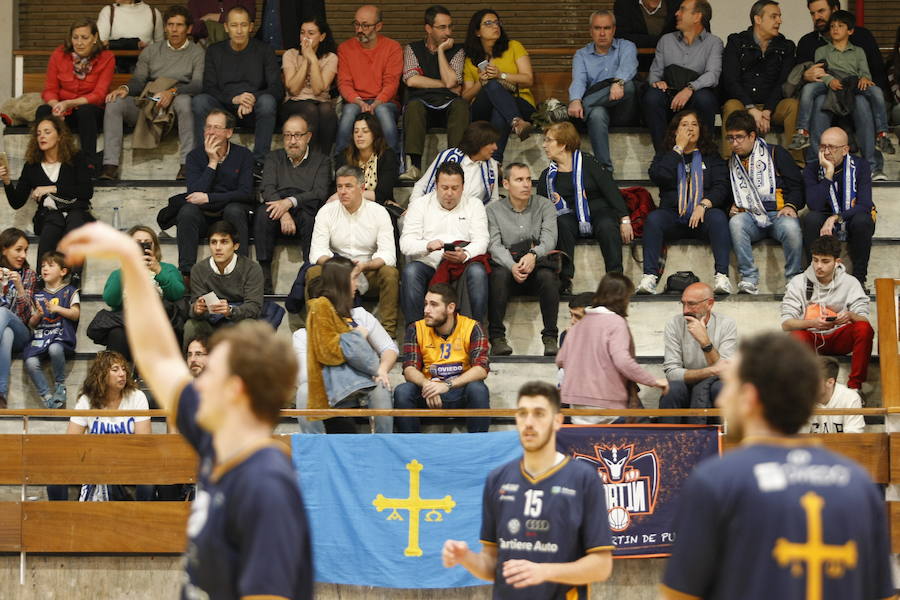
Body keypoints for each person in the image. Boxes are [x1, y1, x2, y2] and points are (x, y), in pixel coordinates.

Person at [59, 222, 312, 598]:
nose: (198, 376)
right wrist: (131, 260)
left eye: (213, 371)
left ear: (235, 391)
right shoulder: (219, 441)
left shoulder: (265, 484)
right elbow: (159, 358)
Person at [660, 333, 893, 600]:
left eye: (729, 388)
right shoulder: (858, 483)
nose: (721, 401)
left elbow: (681, 594)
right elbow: (882, 594)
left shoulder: (716, 480)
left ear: (749, 397)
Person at [442, 381, 614, 597]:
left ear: (557, 421)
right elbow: (492, 566)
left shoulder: (583, 479)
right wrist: (465, 557)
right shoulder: (498, 479)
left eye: (539, 414)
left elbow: (601, 566)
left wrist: (544, 571)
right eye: (523, 414)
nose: (529, 423)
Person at [100, 5, 205, 181]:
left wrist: (172, 92)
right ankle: (110, 165)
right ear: (165, 27)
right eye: (170, 24)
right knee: (114, 103)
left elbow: (198, 84)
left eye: (179, 25)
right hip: (150, 101)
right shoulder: (151, 50)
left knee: (185, 101)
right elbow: (138, 81)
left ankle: (187, 164)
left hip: (178, 105)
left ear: (189, 28)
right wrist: (124, 89)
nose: (174, 29)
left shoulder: (197, 52)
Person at [636, 110, 732, 295]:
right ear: (675, 131)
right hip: (673, 215)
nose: (690, 128)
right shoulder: (665, 155)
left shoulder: (711, 156)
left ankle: (722, 276)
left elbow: (722, 186)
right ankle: (649, 277)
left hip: (702, 217)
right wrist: (678, 149)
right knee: (654, 219)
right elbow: (659, 176)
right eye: (684, 124)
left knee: (719, 217)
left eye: (694, 124)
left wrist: (704, 204)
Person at [788, 10, 895, 174]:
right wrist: (830, 80)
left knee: (874, 93)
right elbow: (820, 72)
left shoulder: (858, 51)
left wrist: (865, 78)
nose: (835, 29)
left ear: (850, 31)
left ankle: (882, 135)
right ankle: (805, 138)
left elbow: (864, 72)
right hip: (829, 84)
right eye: (832, 27)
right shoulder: (822, 50)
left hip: (852, 85)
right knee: (812, 93)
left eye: (840, 26)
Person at [557, 274, 669, 424]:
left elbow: (561, 360)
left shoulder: (577, 325)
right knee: (640, 438)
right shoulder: (616, 322)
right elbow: (623, 361)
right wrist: (654, 381)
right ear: (623, 298)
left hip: (576, 405)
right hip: (606, 403)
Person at [538, 121, 632, 296]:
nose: (544, 145)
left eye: (548, 140)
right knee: (560, 223)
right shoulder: (547, 176)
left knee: (607, 225)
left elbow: (610, 190)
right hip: (568, 216)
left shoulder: (589, 163)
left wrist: (625, 219)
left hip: (598, 211)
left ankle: (615, 279)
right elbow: (543, 208)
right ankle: (564, 280)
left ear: (563, 144)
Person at [304, 256, 396, 434]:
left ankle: (384, 441)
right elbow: (328, 353)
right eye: (354, 278)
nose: (358, 285)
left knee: (381, 385)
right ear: (341, 281)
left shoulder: (356, 313)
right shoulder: (320, 307)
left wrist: (380, 370)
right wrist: (356, 336)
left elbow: (388, 349)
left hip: (356, 379)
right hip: (334, 382)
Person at [307, 165, 399, 338]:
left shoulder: (379, 212)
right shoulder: (326, 212)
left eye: (348, 186)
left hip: (367, 269)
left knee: (390, 273)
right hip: (337, 270)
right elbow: (317, 253)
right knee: (314, 272)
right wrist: (341, 268)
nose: (342, 192)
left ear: (362, 188)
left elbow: (389, 255)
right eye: (339, 187)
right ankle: (317, 332)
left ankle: (388, 334)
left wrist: (365, 266)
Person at [52, 351, 155, 502]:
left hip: (128, 461)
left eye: (124, 369)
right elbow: (71, 442)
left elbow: (143, 443)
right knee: (54, 477)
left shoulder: (137, 397)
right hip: (94, 461)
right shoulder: (87, 400)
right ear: (101, 374)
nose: (122, 374)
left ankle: (141, 522)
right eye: (115, 370)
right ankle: (58, 522)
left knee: (148, 482)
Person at [191, 6, 281, 174]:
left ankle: (259, 163)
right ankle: (205, 158)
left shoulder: (264, 50)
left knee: (268, 101)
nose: (239, 30)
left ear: (251, 27)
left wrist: (251, 98)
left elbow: (277, 88)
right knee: (200, 101)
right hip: (224, 109)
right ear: (226, 27)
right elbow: (209, 87)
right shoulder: (214, 51)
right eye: (234, 25)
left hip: (253, 111)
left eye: (243, 25)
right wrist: (234, 99)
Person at [724, 110, 804, 295]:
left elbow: (797, 186)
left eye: (739, 137)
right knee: (735, 223)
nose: (734, 143)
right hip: (750, 218)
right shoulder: (730, 163)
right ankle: (749, 278)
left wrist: (791, 205)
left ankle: (793, 279)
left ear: (752, 135)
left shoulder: (776, 153)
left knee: (792, 228)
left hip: (779, 215)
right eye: (730, 138)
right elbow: (726, 193)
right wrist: (730, 206)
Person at [393, 283, 490, 434]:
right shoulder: (416, 328)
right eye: (425, 304)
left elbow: (481, 368)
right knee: (403, 391)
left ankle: (478, 446)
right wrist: (427, 385)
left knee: (478, 389)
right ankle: (411, 449)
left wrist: (448, 385)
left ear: (450, 308)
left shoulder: (472, 327)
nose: (426, 310)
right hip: (429, 392)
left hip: (459, 390)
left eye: (433, 305)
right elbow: (409, 368)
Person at [400, 162, 489, 325]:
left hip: (463, 264)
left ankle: (477, 331)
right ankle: (415, 334)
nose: (449, 193)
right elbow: (406, 243)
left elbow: (482, 240)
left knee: (478, 271)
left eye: (455, 188)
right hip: (429, 263)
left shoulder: (474, 205)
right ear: (436, 186)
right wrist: (427, 245)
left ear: (463, 186)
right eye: (444, 187)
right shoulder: (419, 205)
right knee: (411, 272)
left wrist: (465, 254)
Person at [1, 117, 95, 271]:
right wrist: (7, 182)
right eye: (38, 134)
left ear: (59, 136)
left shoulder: (76, 158)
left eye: (47, 132)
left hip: (76, 211)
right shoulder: (32, 165)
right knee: (53, 221)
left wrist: (52, 188)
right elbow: (17, 202)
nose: (42, 136)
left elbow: (86, 191)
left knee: (76, 221)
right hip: (48, 215)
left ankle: (74, 284)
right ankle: (40, 280)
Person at [781, 234, 873, 391]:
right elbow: (786, 324)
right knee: (796, 336)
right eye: (815, 260)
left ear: (837, 262)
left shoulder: (850, 282)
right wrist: (812, 323)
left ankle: (854, 388)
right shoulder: (798, 282)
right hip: (813, 337)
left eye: (825, 261)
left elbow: (864, 318)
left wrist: (850, 316)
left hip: (840, 337)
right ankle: (805, 389)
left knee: (864, 329)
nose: (818, 266)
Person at [486, 163, 559, 357]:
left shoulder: (545, 205)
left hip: (536, 266)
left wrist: (533, 255)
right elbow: (494, 245)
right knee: (498, 275)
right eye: (519, 180)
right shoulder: (493, 210)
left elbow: (549, 240)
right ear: (506, 184)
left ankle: (550, 337)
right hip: (507, 269)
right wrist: (512, 265)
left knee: (548, 277)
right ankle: (497, 338)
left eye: (528, 179)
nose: (526, 184)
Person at [170, 109, 254, 277]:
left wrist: (210, 197)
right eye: (208, 127)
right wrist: (213, 162)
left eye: (216, 127)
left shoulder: (243, 155)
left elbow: (245, 193)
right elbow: (194, 194)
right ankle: (187, 273)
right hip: (203, 216)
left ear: (228, 132)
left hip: (229, 214)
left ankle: (241, 271)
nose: (211, 132)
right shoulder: (194, 156)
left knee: (235, 209)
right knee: (187, 211)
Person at [254, 114, 331, 293]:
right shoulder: (274, 158)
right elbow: (267, 188)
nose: (292, 141)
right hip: (278, 205)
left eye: (297, 135)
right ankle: (265, 276)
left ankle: (309, 273)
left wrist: (289, 203)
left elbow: (319, 192)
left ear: (308, 137)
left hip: (306, 206)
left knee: (311, 219)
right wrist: (284, 211)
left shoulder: (322, 161)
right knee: (263, 214)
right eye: (288, 135)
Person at [720, 0, 799, 160]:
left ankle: (797, 163)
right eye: (774, 16)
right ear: (758, 19)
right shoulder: (737, 42)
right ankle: (728, 162)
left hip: (773, 106)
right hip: (744, 104)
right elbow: (730, 80)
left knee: (793, 105)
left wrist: (767, 111)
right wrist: (751, 108)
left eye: (779, 16)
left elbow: (783, 83)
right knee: (731, 106)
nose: (779, 21)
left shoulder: (786, 46)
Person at [37, 18, 115, 174]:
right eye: (75, 37)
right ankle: (45, 161)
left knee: (85, 111)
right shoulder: (59, 55)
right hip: (64, 110)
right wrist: (56, 106)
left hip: (91, 111)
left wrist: (69, 103)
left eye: (84, 38)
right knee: (43, 112)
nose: (79, 42)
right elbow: (50, 89)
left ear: (95, 38)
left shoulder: (106, 57)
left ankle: (89, 164)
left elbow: (99, 95)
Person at [801, 127, 875, 289]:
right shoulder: (812, 169)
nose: (826, 152)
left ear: (845, 150)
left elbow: (865, 204)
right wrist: (828, 173)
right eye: (823, 147)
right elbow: (814, 205)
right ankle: (815, 278)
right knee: (811, 219)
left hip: (852, 213)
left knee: (863, 221)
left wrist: (836, 217)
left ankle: (859, 279)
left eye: (831, 147)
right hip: (824, 213)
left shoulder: (861, 166)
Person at [644, 0, 722, 153]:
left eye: (682, 10)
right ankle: (663, 155)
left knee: (705, 99)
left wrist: (690, 88)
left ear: (697, 17)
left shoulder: (714, 42)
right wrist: (657, 82)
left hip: (696, 95)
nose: (676, 14)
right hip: (670, 94)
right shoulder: (666, 40)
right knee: (652, 97)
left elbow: (713, 75)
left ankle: (705, 155)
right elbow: (654, 73)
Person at [401, 5, 469, 180]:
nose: (448, 32)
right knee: (414, 106)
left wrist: (440, 51)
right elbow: (411, 79)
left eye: (450, 26)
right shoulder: (412, 49)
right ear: (428, 28)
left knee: (461, 106)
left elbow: (452, 81)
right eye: (442, 27)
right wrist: (443, 84)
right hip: (422, 104)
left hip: (449, 104)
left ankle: (456, 164)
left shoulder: (458, 50)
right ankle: (414, 166)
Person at [567, 10, 638, 172]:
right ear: (590, 31)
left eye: (606, 28)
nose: (602, 33)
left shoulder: (626, 46)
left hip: (623, 110)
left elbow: (629, 67)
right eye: (597, 28)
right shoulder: (581, 55)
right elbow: (578, 80)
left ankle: (583, 106)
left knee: (629, 86)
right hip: (598, 110)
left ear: (613, 30)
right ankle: (605, 171)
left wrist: (618, 82)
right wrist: (575, 99)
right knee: (597, 113)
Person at [100, 225, 185, 361]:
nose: (142, 246)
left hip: (161, 323)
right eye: (137, 243)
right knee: (116, 334)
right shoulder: (120, 273)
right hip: (128, 323)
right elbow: (111, 300)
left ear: (154, 247)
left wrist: (158, 270)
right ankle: (121, 377)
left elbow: (177, 294)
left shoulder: (167, 269)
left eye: (147, 243)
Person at [462, 9, 535, 162]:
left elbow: (528, 79)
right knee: (492, 85)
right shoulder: (470, 60)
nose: (495, 26)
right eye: (488, 23)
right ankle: (517, 123)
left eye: (497, 22)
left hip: (520, 102)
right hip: (482, 110)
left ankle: (495, 163)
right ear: (477, 32)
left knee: (499, 109)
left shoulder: (514, 46)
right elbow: (466, 97)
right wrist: (480, 83)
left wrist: (501, 75)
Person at [658, 282, 736, 424]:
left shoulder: (727, 324)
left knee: (722, 388)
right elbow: (672, 372)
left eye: (692, 304)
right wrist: (711, 370)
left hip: (714, 383)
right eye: (683, 304)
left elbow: (725, 373)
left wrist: (705, 343)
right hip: (686, 383)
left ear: (710, 304)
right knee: (672, 389)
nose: (685, 310)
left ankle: (724, 441)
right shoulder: (674, 324)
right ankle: (667, 442)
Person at [335, 4, 403, 156]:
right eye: (357, 24)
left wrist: (377, 102)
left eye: (365, 25)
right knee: (348, 113)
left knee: (383, 111)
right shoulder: (345, 48)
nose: (359, 30)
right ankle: (339, 163)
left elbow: (391, 82)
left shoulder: (393, 47)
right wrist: (359, 102)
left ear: (378, 26)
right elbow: (344, 83)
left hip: (385, 101)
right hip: (356, 100)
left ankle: (393, 161)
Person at [184, 220, 264, 346]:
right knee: (191, 325)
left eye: (224, 242)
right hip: (211, 320)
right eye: (213, 242)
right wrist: (197, 309)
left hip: (239, 319)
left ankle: (247, 365)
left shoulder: (251, 269)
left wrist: (231, 311)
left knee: (249, 326)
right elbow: (195, 303)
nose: (218, 248)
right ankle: (193, 364)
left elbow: (254, 307)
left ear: (236, 245)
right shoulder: (199, 269)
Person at [25, 251, 79, 409]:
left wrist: (58, 309)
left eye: (50, 265)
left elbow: (75, 314)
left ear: (63, 271)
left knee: (55, 349)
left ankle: (60, 385)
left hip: (60, 336)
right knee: (30, 361)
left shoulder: (70, 291)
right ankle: (46, 396)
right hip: (41, 337)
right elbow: (32, 323)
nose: (45, 269)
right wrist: (37, 316)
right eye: (42, 266)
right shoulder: (38, 295)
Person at [280, 16, 338, 155]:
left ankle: (323, 160)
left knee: (327, 110)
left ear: (322, 36)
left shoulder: (330, 58)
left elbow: (318, 90)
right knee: (310, 108)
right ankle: (310, 160)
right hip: (294, 103)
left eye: (311, 33)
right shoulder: (290, 55)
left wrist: (313, 58)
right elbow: (293, 89)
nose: (305, 37)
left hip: (320, 103)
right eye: (302, 33)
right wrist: (307, 59)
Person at [410, 120, 500, 206]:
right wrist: (414, 208)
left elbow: (493, 199)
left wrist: (479, 216)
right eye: (491, 143)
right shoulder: (448, 156)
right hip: (437, 212)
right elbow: (421, 185)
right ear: (479, 142)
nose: (495, 147)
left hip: (471, 217)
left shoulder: (492, 165)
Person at [335, 112, 401, 214]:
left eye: (365, 131)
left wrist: (352, 194)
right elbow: (339, 189)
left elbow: (382, 194)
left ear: (375, 134)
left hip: (379, 209)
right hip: (349, 208)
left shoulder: (387, 156)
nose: (359, 135)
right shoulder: (344, 156)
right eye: (356, 132)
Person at [0, 229, 37, 409]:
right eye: (18, 249)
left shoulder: (29, 274)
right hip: (6, 333)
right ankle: (1, 394)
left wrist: (19, 287)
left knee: (2, 313)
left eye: (26, 250)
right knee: (5, 335)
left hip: (22, 332)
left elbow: (28, 316)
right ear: (4, 249)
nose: (23, 255)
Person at [97, 0, 163, 73]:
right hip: (116, 71)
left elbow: (160, 48)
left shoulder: (153, 12)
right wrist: (133, 44)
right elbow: (100, 44)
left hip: (146, 71)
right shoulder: (108, 11)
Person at [804, 356, 864, 433]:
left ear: (830, 382)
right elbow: (796, 439)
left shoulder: (851, 398)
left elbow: (853, 438)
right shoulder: (802, 399)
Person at [614, 0, 679, 61]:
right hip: (635, 62)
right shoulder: (624, 4)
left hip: (673, 61)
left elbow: (682, 36)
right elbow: (622, 37)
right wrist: (663, 40)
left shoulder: (676, 4)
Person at [187, 0, 255, 43]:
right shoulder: (195, 2)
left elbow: (249, 17)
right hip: (207, 47)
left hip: (240, 44)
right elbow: (193, 28)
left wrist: (213, 17)